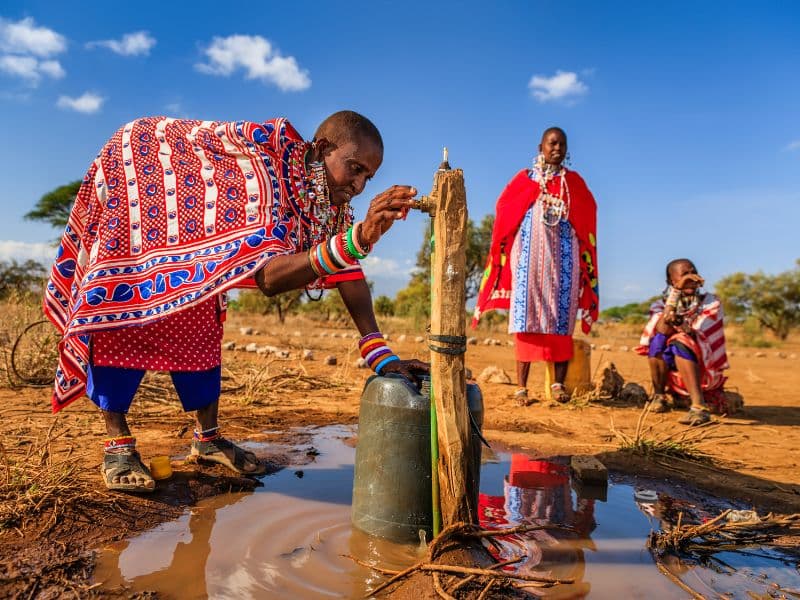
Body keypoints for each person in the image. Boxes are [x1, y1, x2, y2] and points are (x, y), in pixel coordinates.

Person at [43, 111, 427, 492]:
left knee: (200, 324)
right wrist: (359, 238)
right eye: (355, 168)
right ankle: (117, 445)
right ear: (324, 148)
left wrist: (381, 355)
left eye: (368, 177)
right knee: (125, 310)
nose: (359, 185)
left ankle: (207, 440)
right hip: (144, 193)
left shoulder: (329, 203)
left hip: (190, 239)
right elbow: (269, 277)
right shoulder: (269, 172)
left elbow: (348, 272)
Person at [472, 127, 599, 405]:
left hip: (565, 263)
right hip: (529, 261)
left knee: (562, 321)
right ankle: (521, 388)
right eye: (552, 143)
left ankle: (558, 385)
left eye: (562, 144)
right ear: (540, 146)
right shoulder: (526, 179)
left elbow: (588, 211)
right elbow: (505, 208)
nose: (557, 148)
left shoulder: (573, 183)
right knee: (525, 319)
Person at [634, 258, 730, 425]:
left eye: (693, 272)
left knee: (681, 340)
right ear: (671, 281)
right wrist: (676, 292)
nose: (691, 277)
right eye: (685, 274)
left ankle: (699, 407)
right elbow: (662, 329)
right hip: (672, 373)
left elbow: (695, 334)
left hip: (703, 369)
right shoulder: (660, 305)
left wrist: (677, 322)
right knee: (657, 340)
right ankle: (659, 395)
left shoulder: (711, 302)